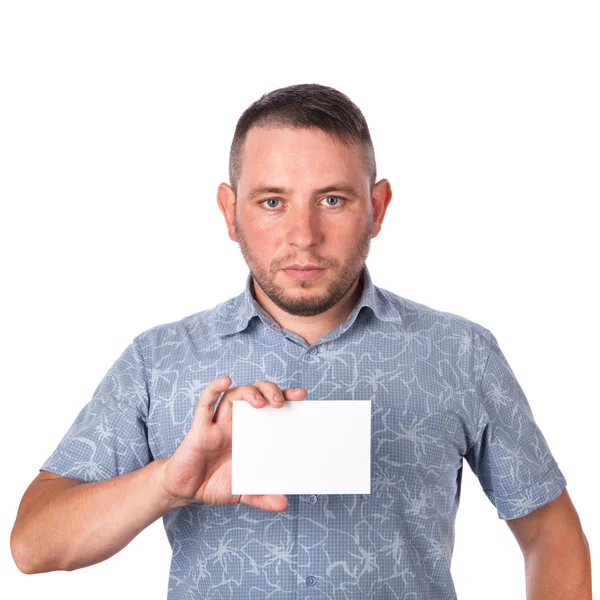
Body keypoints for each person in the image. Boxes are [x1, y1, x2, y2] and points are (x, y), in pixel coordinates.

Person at [10, 83, 591, 599]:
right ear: (229, 211)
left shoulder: (459, 353)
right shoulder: (159, 360)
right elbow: (34, 546)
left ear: (378, 207)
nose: (303, 236)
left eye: (332, 199)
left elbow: (551, 535)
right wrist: (166, 482)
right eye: (272, 201)